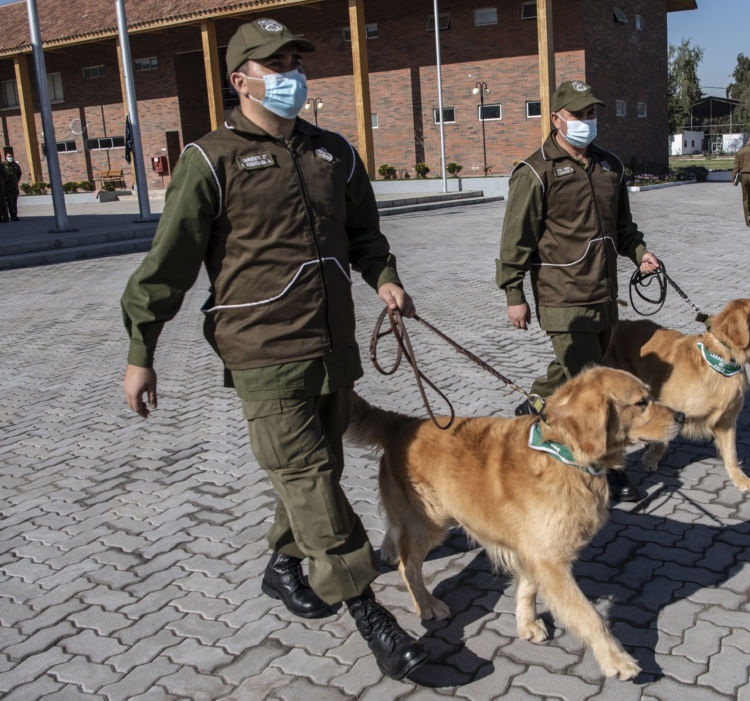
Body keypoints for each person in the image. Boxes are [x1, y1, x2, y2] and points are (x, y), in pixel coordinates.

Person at [120, 19, 428, 681]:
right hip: (262, 355)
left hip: (333, 351)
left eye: (294, 59)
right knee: (313, 482)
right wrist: (141, 348)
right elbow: (166, 265)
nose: (290, 73)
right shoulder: (211, 160)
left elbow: (365, 234)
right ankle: (369, 611)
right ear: (240, 80)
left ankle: (283, 562)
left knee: (315, 472)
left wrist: (387, 280)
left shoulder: (333, 153)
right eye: (274, 64)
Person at [496, 79, 661, 503]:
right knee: (592, 388)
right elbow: (516, 240)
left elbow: (623, 227)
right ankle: (607, 468)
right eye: (578, 115)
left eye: (592, 114)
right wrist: (514, 294)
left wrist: (639, 252)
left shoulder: (609, 167)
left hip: (604, 295)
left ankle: (536, 403)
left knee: (579, 369)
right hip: (562, 295)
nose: (587, 122)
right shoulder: (535, 171)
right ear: (556, 119)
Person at [0, 153, 20, 222]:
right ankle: (6, 216)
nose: (10, 158)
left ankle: (12, 216)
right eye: (9, 156)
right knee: (8, 202)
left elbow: (18, 174)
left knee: (13, 202)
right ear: (5, 157)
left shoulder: (15, 165)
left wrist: (4, 182)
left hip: (11, 186)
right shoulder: (3, 164)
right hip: (6, 186)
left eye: (11, 156)